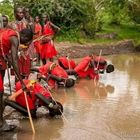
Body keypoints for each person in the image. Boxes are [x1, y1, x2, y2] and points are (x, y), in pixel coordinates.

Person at [0, 15, 33, 132]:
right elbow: (14, 60)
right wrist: (22, 82)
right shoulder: (14, 37)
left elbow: (4, 50)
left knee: (1, 92)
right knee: (0, 94)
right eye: (27, 42)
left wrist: (6, 60)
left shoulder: (8, 32)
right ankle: (1, 125)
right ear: (24, 37)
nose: (26, 45)